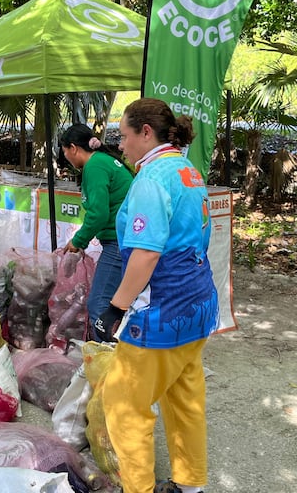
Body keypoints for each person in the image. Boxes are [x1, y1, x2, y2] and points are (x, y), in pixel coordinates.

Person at [95, 98, 218, 493]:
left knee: (124, 404)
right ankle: (190, 483)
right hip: (198, 305)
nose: (121, 145)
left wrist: (116, 306)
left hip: (161, 314)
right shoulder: (187, 170)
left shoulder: (150, 179)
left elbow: (146, 253)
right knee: (184, 396)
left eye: (124, 135)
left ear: (145, 132)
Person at [59, 123, 133, 338]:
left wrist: (78, 240)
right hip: (126, 238)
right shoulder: (103, 161)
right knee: (119, 300)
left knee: (99, 301)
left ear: (73, 148)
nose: (68, 159)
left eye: (65, 153)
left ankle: (106, 359)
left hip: (119, 240)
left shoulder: (95, 166)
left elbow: (98, 214)